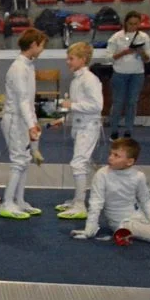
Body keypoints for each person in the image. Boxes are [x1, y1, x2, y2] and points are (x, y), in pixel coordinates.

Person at [72, 138, 150, 244]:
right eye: (110, 154)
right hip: (121, 223)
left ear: (130, 162)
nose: (110, 158)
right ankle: (146, 230)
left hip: (140, 215)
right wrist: (90, 228)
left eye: (116, 156)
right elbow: (95, 203)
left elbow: (146, 201)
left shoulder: (139, 176)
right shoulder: (102, 175)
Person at [0, 28, 46, 219]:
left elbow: (29, 101)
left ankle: (19, 200)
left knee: (25, 160)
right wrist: (31, 124)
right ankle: (7, 203)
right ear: (33, 44)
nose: (42, 49)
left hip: (22, 120)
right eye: (41, 45)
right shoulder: (18, 68)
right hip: (14, 119)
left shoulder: (28, 66)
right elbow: (22, 100)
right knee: (18, 161)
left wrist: (33, 122)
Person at [55, 42, 103, 220]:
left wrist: (71, 105)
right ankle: (77, 200)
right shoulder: (76, 79)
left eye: (71, 58)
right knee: (83, 163)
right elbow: (78, 107)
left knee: (78, 164)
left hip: (88, 127)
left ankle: (80, 205)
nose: (68, 62)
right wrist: (64, 120)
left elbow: (97, 105)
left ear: (83, 59)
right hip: (79, 126)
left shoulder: (89, 79)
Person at [106, 11, 150, 140]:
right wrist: (124, 53)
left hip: (137, 74)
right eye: (130, 24)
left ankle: (128, 131)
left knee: (132, 102)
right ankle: (114, 131)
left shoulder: (144, 37)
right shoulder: (116, 37)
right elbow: (108, 57)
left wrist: (141, 52)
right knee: (118, 102)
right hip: (120, 74)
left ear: (139, 24)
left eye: (136, 24)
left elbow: (148, 59)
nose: (133, 26)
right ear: (125, 23)